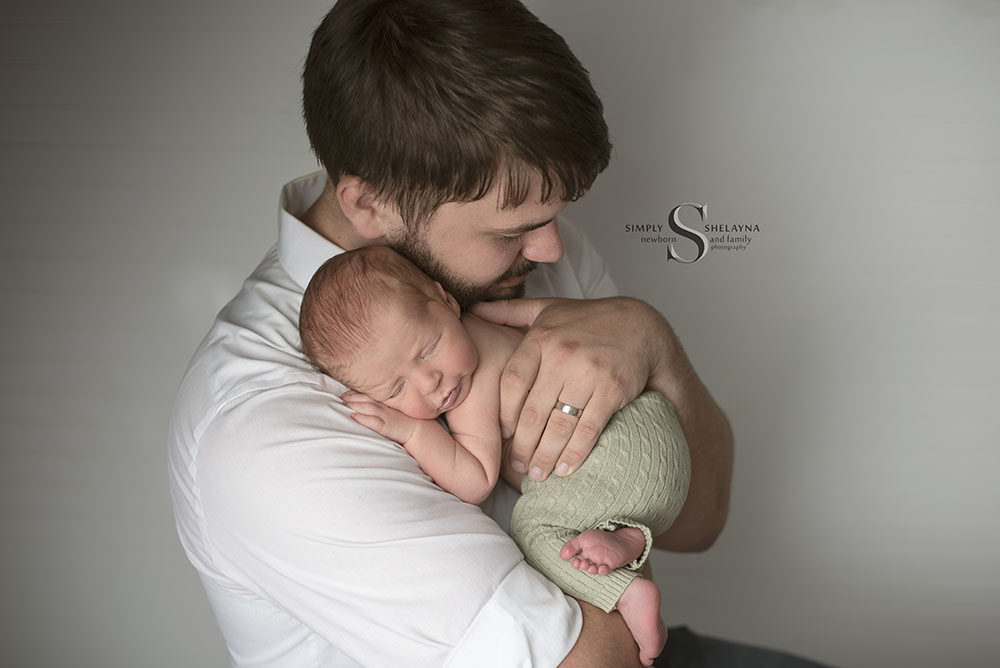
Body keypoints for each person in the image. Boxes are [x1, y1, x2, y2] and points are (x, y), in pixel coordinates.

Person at [165, 0, 828, 665]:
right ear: (367, 204)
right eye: (511, 232)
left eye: (554, 217)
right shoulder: (266, 428)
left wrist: (653, 343)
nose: (549, 250)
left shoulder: (529, 251)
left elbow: (699, 518)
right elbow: (595, 661)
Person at [298, 246, 693, 666]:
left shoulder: (475, 376)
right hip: (657, 442)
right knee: (574, 509)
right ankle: (630, 536)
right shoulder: (483, 326)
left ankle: (626, 591)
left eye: (428, 349)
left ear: (447, 300)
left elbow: (475, 480)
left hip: (613, 451)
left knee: (532, 531)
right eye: (396, 389)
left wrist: (412, 429)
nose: (430, 382)